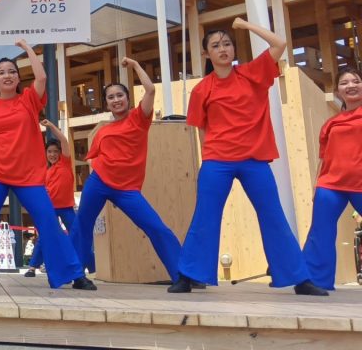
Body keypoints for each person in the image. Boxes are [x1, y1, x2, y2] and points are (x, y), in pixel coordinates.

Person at [168, 17, 326, 295]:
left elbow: (280, 43)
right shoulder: (202, 89)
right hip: (217, 160)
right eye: (216, 46)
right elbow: (201, 129)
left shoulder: (253, 72)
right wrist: (207, 161)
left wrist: (247, 26)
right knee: (205, 216)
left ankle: (300, 278)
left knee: (273, 215)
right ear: (206, 54)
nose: (223, 49)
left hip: (254, 160)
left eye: (227, 44)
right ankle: (188, 275)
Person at [0, 40, 95, 290]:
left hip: (29, 176)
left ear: (18, 78)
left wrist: (27, 48)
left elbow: (41, 78)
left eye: (12, 71)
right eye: (1, 72)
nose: (7, 75)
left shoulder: (29, 100)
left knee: (48, 221)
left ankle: (74, 274)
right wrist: (1, 159)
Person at [72, 58, 182, 284]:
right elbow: (94, 157)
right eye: (111, 97)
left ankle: (183, 275)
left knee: (155, 226)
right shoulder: (104, 130)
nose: (116, 100)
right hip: (99, 182)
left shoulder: (139, 118)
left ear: (128, 98)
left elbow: (150, 90)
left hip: (127, 189)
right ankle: (75, 275)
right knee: (82, 224)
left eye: (119, 95)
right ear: (106, 103)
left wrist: (135, 64)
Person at [302, 69, 362, 290]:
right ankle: (316, 283)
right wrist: (316, 185)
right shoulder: (330, 124)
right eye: (344, 83)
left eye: (356, 81)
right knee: (321, 232)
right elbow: (324, 158)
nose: (351, 85)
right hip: (330, 185)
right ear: (338, 91)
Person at [25, 120, 77, 277]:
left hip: (67, 207)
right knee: (44, 236)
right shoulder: (46, 172)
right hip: (50, 209)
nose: (52, 154)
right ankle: (32, 267)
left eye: (55, 151)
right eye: (49, 152)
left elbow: (64, 140)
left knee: (77, 233)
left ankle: (79, 265)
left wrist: (50, 126)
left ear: (60, 153)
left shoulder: (65, 163)